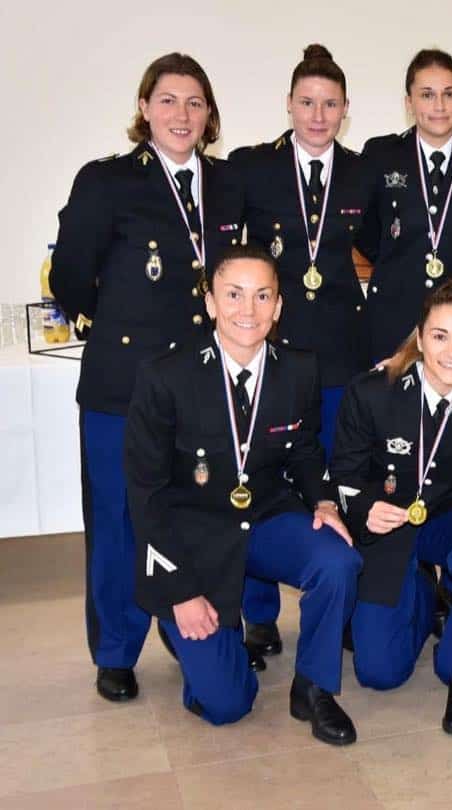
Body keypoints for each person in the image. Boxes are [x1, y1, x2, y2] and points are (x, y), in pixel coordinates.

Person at [49, 52, 244, 702]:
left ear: (209, 114)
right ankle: (115, 651)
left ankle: (200, 626)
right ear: (143, 108)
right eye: (167, 100)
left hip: (202, 393)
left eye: (194, 102)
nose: (181, 114)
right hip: (121, 388)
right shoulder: (107, 182)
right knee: (117, 522)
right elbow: (71, 276)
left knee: (199, 515)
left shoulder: (227, 185)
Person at [124, 245, 361, 744]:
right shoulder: (165, 376)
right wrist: (182, 594)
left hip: (268, 519)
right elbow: (146, 496)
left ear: (278, 306)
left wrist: (322, 500)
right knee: (229, 704)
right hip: (193, 540)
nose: (247, 311)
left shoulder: (299, 369)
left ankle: (314, 688)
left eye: (262, 297)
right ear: (210, 301)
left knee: (338, 559)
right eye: (233, 295)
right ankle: (180, 626)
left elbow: (303, 451)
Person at [230, 43, 373, 660]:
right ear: (289, 104)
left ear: (346, 110)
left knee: (338, 475)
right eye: (307, 102)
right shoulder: (251, 168)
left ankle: (338, 600)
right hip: (273, 350)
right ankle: (259, 613)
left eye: (331, 104)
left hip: (342, 350)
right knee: (263, 478)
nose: (318, 115)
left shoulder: (364, 173)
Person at [331, 280, 452, 735]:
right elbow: (344, 476)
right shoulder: (372, 391)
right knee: (379, 674)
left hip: (448, 512)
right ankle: (425, 595)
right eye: (440, 336)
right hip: (386, 525)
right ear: (420, 336)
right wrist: (365, 507)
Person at [359, 49, 452, 362]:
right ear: (409, 102)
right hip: (395, 315)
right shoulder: (381, 155)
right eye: (427, 95)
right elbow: (366, 233)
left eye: (449, 94)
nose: (439, 106)